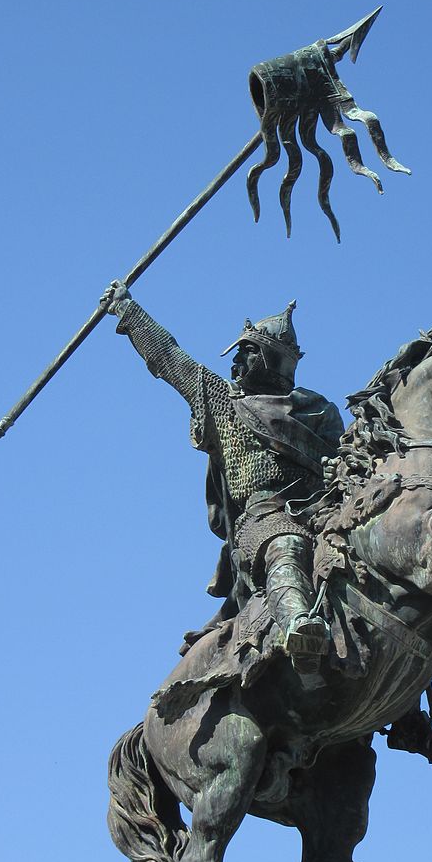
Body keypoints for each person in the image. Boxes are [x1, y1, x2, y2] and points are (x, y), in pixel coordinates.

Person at [100, 281, 343, 673]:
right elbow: (169, 358)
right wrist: (128, 310)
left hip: (323, 513)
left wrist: (339, 470)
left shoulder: (318, 410)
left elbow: (344, 458)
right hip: (264, 520)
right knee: (286, 546)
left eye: (245, 354)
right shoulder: (222, 402)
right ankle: (300, 625)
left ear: (267, 359)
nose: (234, 365)